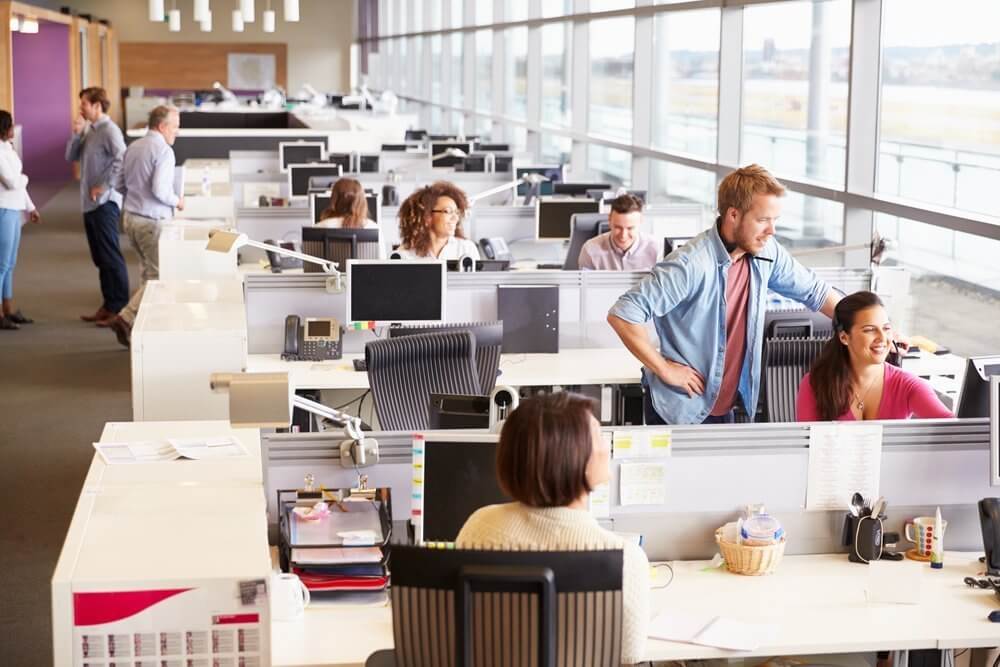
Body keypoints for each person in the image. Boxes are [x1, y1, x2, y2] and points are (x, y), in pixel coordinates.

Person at [607, 164, 840, 425]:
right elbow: (624, 313)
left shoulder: (766, 252)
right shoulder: (691, 264)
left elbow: (817, 292)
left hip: (724, 404)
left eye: (775, 221)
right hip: (681, 408)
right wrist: (664, 369)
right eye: (763, 220)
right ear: (733, 215)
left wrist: (875, 325)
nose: (771, 231)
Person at [455, 392, 649, 665]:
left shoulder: (481, 526)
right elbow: (630, 654)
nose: (608, 445)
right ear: (575, 461)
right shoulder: (623, 559)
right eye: (599, 436)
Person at [797, 291, 952, 421]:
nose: (882, 338)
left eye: (886, 328)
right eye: (869, 329)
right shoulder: (815, 384)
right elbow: (805, 447)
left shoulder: (909, 385)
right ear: (844, 337)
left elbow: (955, 430)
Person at [107, 105, 183, 348]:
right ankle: (126, 317)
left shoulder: (134, 146)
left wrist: (136, 196)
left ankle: (143, 327)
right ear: (162, 126)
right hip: (151, 221)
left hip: (130, 218)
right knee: (159, 276)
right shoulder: (163, 150)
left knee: (146, 273)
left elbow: (117, 184)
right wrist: (177, 201)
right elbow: (161, 190)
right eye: (175, 127)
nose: (177, 132)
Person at [65, 87, 128, 327]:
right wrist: (76, 134)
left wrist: (103, 185)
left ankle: (120, 310)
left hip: (105, 203)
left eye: (84, 104)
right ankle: (108, 305)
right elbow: (70, 157)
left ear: (97, 106)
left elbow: (122, 158)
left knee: (110, 255)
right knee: (100, 257)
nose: (80, 108)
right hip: (89, 204)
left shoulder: (110, 131)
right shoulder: (90, 130)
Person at [0, 110, 41, 330]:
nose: (12, 128)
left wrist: (31, 207)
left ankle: (7, 309)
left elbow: (19, 185)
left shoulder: (8, 150)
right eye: (10, 125)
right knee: (1, 264)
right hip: (3, 209)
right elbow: (12, 183)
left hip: (14, 209)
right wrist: (25, 178)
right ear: (3, 128)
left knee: (10, 263)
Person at [395, 181, 480, 260]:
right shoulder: (405, 255)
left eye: (456, 212)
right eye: (448, 211)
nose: (455, 218)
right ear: (427, 216)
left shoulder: (466, 249)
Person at [579, 193, 659, 271]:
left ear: (640, 221)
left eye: (630, 228)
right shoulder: (590, 249)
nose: (623, 235)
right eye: (618, 227)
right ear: (609, 220)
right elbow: (585, 284)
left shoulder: (656, 249)